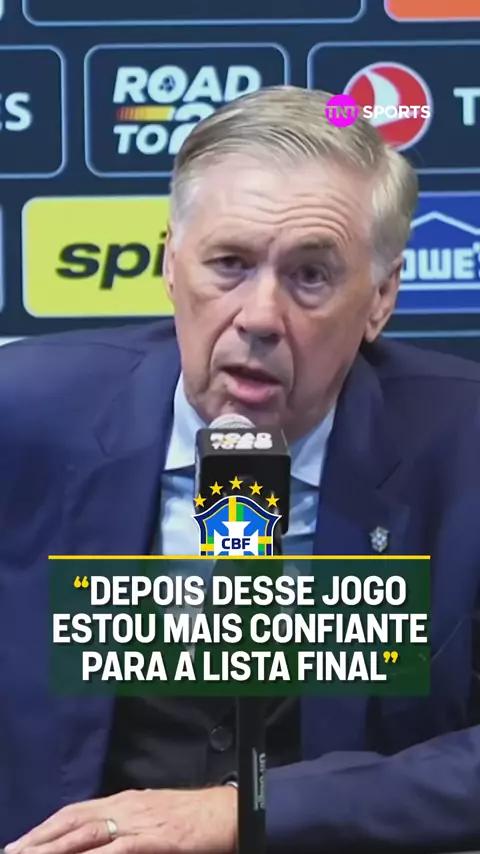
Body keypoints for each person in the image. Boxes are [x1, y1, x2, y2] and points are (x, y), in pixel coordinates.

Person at [0, 85, 480, 854]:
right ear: (170, 263)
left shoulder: (463, 445)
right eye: (229, 264)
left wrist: (249, 811)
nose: (259, 317)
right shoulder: (22, 416)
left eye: (311, 276)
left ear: (381, 298)